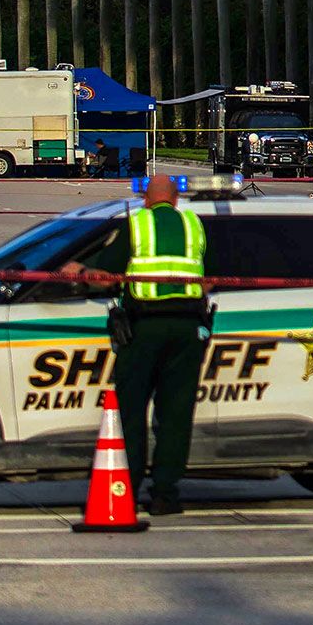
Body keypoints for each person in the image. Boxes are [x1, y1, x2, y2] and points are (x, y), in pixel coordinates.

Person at [109, 173, 208, 515]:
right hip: (187, 330)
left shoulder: (136, 224)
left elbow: (105, 267)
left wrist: (74, 270)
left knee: (132, 411)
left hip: (143, 330)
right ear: (176, 200)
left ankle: (128, 488)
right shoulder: (194, 225)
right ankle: (166, 493)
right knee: (176, 414)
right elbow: (210, 275)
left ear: (146, 200)